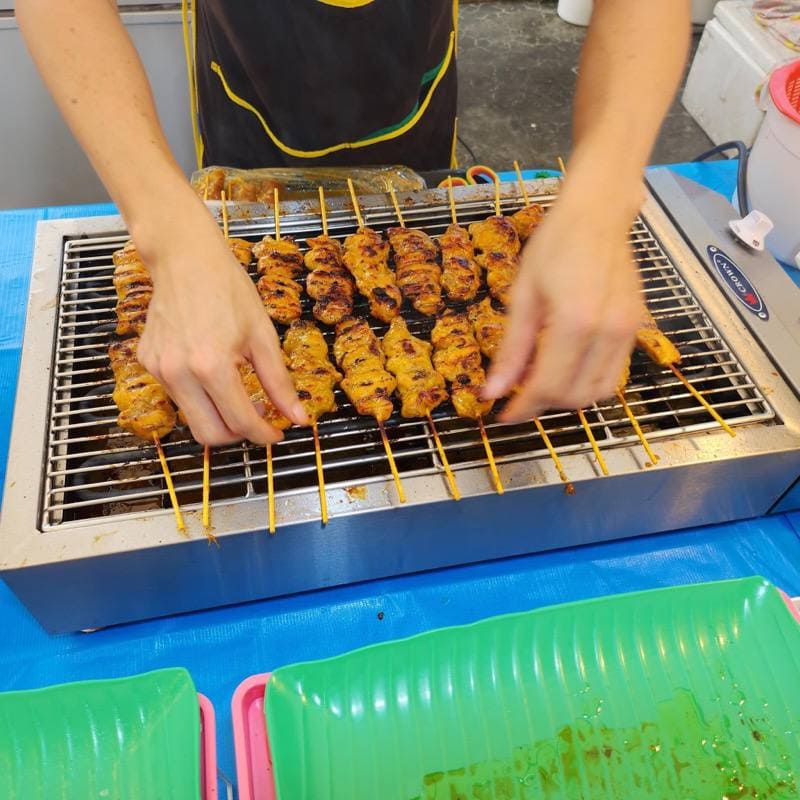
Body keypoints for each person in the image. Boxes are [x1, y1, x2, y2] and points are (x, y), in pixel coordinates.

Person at [17, 0, 691, 445]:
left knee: (415, 215)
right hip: (248, 91)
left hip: (409, 86)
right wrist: (167, 233)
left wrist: (606, 186)